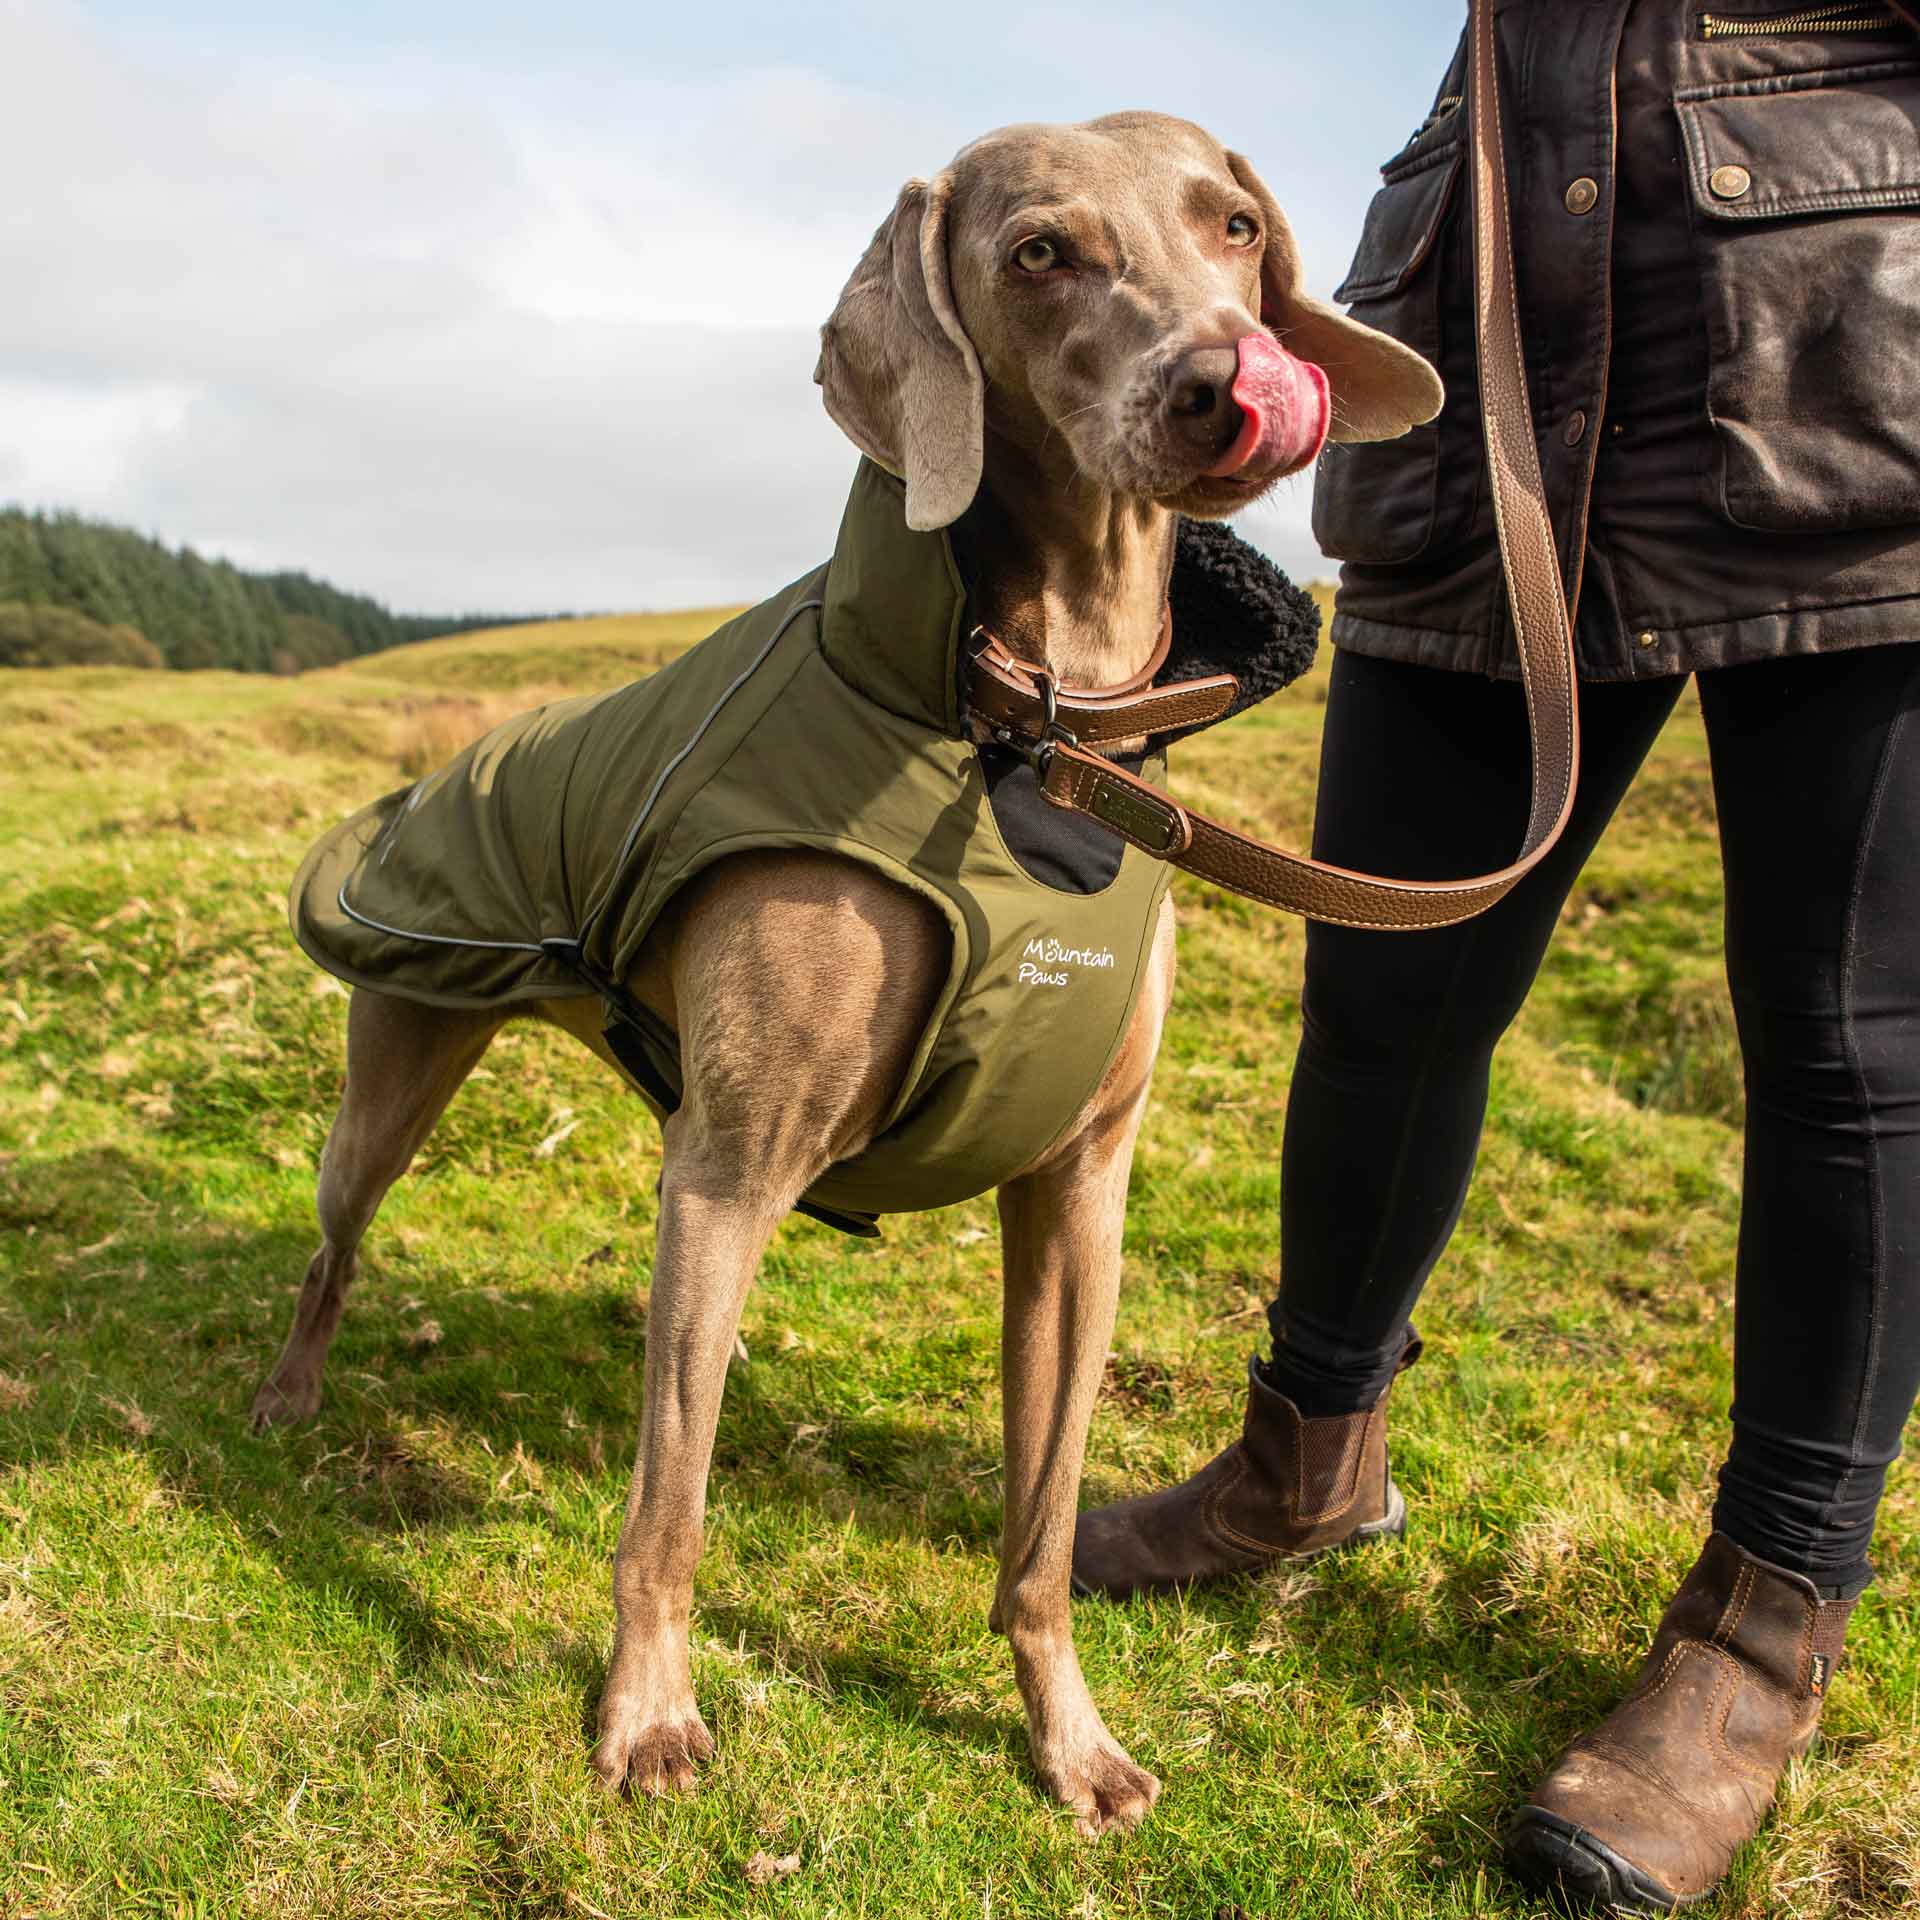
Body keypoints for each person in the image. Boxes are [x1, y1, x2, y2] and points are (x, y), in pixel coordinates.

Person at [1072, 2, 1920, 1909]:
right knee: (1384, 995)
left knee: (1846, 1048)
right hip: (1484, 362)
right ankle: (1308, 1459)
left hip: (1848, 366)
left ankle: (1766, 1628)